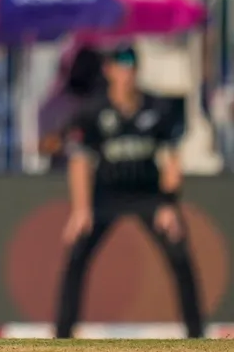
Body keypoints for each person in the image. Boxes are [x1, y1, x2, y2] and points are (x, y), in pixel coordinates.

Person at [54, 44, 203, 338]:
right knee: (76, 254)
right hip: (105, 194)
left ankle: (197, 336)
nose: (126, 74)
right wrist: (81, 210)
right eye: (120, 67)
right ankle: (62, 337)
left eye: (131, 66)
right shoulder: (94, 110)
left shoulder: (156, 108)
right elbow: (80, 161)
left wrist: (168, 204)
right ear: (109, 71)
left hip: (148, 193)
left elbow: (172, 162)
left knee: (179, 251)